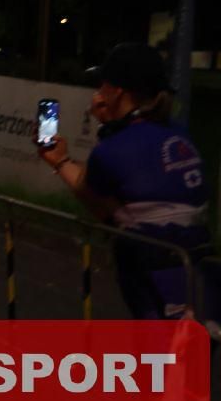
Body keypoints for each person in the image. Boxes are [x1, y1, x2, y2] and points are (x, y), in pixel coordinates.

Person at [37, 42, 212, 321]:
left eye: (103, 84)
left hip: (156, 283)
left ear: (117, 92)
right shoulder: (179, 134)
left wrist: (60, 160)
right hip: (200, 276)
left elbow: (93, 196)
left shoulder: (111, 150)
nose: (98, 92)